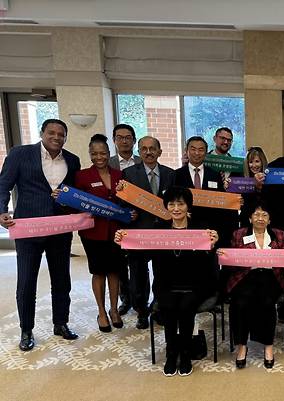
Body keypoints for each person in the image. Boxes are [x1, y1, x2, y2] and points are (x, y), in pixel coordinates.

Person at [115, 187, 218, 376]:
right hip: (166, 284)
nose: (176, 208)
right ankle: (172, 353)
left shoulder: (200, 229)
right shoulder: (158, 229)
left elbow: (209, 260)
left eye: (181, 204)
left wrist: (211, 245)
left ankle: (185, 354)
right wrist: (124, 240)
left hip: (194, 284)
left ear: (188, 206)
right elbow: (142, 252)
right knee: (169, 307)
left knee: (186, 307)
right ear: (166, 207)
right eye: (171, 204)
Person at [0, 119, 81, 351]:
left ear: (65, 137)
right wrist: (1, 211)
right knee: (26, 282)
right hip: (28, 230)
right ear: (42, 133)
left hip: (59, 230)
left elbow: (75, 192)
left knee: (62, 280)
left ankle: (61, 323)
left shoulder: (72, 160)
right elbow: (3, 184)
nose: (56, 137)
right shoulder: (20, 154)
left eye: (61, 134)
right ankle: (26, 329)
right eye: (51, 133)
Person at [119, 136, 175, 329]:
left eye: (152, 149)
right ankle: (141, 312)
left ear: (159, 152)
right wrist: (128, 213)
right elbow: (122, 204)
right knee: (138, 276)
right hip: (139, 233)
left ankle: (159, 307)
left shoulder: (170, 174)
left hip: (163, 233)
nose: (148, 152)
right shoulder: (128, 174)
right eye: (144, 149)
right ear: (139, 151)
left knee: (163, 273)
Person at [224, 199, 284, 369]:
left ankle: (268, 346)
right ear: (250, 218)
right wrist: (225, 255)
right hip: (245, 275)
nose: (260, 218)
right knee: (240, 303)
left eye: (264, 215)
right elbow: (232, 263)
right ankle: (242, 346)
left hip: (270, 277)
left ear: (269, 219)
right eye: (256, 214)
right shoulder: (239, 234)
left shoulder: (279, 234)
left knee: (267, 303)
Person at [75, 134, 124, 332]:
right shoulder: (82, 176)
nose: (99, 157)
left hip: (115, 231)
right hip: (93, 232)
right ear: (90, 154)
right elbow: (76, 202)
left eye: (102, 153)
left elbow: (125, 201)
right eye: (94, 153)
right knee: (98, 271)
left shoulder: (120, 175)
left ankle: (114, 310)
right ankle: (101, 312)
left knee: (114, 271)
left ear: (109, 153)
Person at [108, 123, 141, 316]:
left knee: (138, 266)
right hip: (116, 220)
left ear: (134, 140)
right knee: (119, 264)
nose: (124, 140)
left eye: (128, 137)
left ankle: (139, 300)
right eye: (120, 137)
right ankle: (125, 298)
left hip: (139, 220)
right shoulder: (108, 163)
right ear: (114, 140)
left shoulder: (141, 161)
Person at [173, 136, 225, 239]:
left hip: (209, 226)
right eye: (193, 149)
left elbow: (222, 200)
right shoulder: (176, 175)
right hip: (185, 226)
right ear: (186, 151)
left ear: (206, 153)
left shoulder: (214, 175)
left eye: (201, 150)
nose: (197, 153)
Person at [238, 146, 267, 228]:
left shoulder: (270, 179)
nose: (253, 165)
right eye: (250, 162)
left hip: (265, 222)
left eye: (257, 161)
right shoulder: (241, 180)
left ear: (262, 162)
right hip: (246, 221)